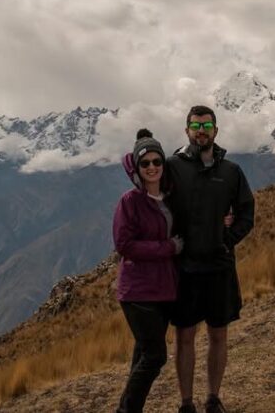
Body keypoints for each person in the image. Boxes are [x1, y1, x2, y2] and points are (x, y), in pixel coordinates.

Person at [167, 105, 255, 413]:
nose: (201, 131)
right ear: (187, 130)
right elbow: (154, 201)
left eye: (206, 126)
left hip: (219, 267)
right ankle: (186, 403)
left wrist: (226, 240)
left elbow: (246, 213)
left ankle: (213, 398)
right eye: (195, 126)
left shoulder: (231, 171)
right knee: (185, 336)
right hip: (185, 268)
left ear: (215, 131)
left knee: (219, 334)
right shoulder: (172, 167)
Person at [113, 129, 183, 413]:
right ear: (137, 167)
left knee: (143, 352)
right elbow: (124, 245)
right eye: (145, 163)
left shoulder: (170, 197)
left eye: (157, 161)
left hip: (164, 289)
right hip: (137, 291)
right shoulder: (130, 201)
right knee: (155, 356)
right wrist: (167, 248)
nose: (152, 167)